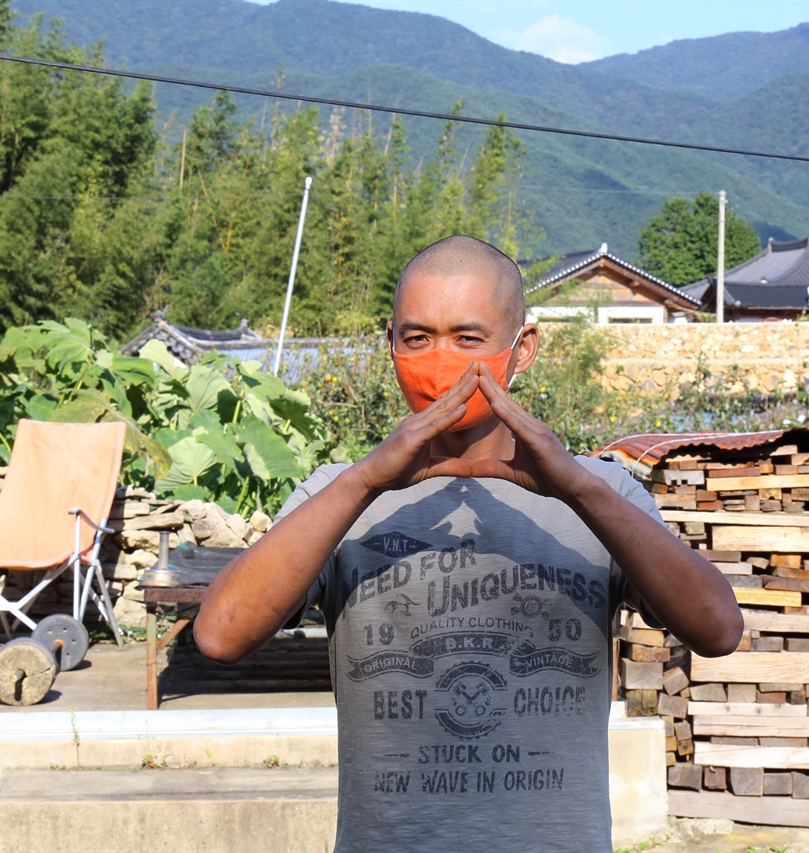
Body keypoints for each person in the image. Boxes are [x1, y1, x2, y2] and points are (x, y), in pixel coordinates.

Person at [194, 235, 743, 851]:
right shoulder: (339, 496)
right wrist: (367, 479)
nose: (439, 362)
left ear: (522, 349)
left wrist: (578, 490)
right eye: (417, 338)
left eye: (468, 338)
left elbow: (718, 630)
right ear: (391, 344)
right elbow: (221, 635)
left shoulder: (601, 494)